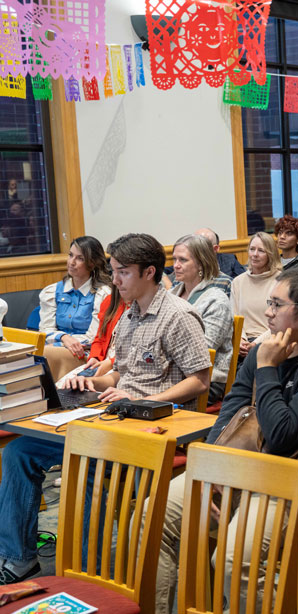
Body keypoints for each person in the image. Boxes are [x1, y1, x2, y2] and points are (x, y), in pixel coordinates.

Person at [0, 233, 211, 586]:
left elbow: (200, 381)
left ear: (149, 272)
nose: (115, 281)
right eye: (113, 272)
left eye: (123, 273)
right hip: (113, 416)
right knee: (20, 452)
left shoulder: (178, 316)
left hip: (152, 427)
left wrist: (145, 400)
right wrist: (90, 383)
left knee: (86, 462)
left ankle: (87, 573)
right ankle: (19, 559)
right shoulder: (128, 315)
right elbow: (119, 372)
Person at [155, 269, 298, 614]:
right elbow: (231, 413)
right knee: (153, 516)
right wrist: (209, 471)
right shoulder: (265, 350)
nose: (268, 313)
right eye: (269, 303)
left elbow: (282, 437)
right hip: (246, 466)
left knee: (233, 559)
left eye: (276, 305)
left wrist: (267, 369)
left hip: (296, 483)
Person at [170, 234, 235, 404]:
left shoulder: (216, 300)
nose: (175, 265)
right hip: (173, 372)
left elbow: (203, 350)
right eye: (174, 259)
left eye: (182, 260)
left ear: (200, 263)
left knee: (145, 393)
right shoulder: (171, 294)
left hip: (207, 379)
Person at [38, 236, 111, 379]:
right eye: (70, 255)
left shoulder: (103, 294)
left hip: (85, 353)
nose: (72, 262)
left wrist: (68, 343)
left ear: (92, 263)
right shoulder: (52, 291)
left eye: (80, 258)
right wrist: (64, 337)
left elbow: (94, 337)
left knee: (44, 354)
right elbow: (44, 331)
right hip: (56, 347)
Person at [231, 232, 282, 360]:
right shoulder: (238, 282)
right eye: (252, 249)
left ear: (270, 255)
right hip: (242, 343)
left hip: (270, 341)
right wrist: (241, 340)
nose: (255, 254)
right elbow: (234, 316)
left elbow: (281, 322)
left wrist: (255, 343)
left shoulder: (281, 281)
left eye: (261, 251)